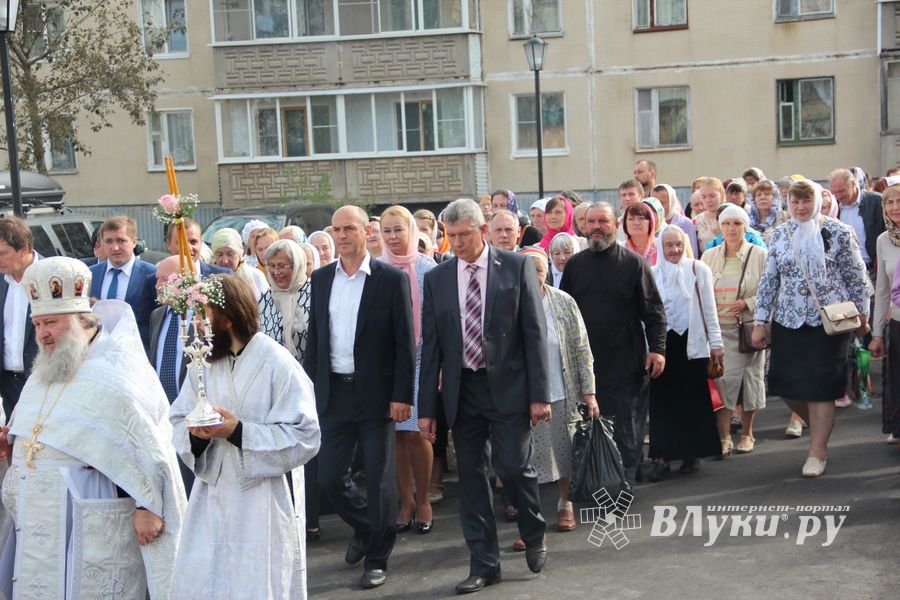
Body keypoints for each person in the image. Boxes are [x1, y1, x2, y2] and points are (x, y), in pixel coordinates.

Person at [0, 257, 185, 598]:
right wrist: (13, 440)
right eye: (38, 324)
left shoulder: (118, 371)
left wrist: (147, 508)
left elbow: (148, 444)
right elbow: (39, 427)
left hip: (92, 511)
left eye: (51, 323)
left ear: (83, 319)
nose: (43, 334)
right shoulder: (46, 368)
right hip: (40, 512)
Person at [418, 199, 549, 594]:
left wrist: (539, 395)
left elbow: (535, 334)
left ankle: (533, 529)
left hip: (509, 388)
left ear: (483, 231)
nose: (456, 243)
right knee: (472, 482)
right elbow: (432, 348)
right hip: (464, 391)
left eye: (464, 235)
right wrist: (427, 409)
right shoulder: (438, 279)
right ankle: (484, 563)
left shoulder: (515, 267)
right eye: (450, 236)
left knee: (512, 468)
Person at [170, 274, 320, 598]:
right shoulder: (207, 362)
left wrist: (238, 431)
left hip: (261, 499)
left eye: (205, 317)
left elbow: (306, 433)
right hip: (211, 495)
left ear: (226, 319)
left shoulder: (277, 362)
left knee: (256, 582)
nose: (200, 328)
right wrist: (197, 436)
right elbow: (179, 416)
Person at [303, 206, 415, 589]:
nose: (342, 235)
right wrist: (311, 390)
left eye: (349, 228)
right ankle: (369, 527)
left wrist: (403, 395)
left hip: (377, 396)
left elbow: (404, 342)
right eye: (336, 230)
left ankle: (378, 556)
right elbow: (315, 340)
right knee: (330, 478)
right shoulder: (319, 279)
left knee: (381, 481)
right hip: (333, 392)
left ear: (366, 231)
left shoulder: (389, 279)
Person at [752, 180, 872, 477]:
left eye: (806, 201)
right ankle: (821, 423)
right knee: (782, 384)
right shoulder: (780, 234)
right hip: (788, 320)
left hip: (829, 323)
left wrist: (864, 317)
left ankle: (817, 451)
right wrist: (759, 322)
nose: (801, 207)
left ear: (817, 202)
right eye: (795, 202)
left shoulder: (838, 232)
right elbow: (769, 282)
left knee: (822, 390)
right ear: (788, 204)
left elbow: (857, 277)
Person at [560, 202, 666, 483]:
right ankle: (595, 477)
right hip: (587, 360)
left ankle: (624, 480)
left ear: (615, 225)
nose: (596, 227)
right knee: (588, 422)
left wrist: (657, 349)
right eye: (591, 222)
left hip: (626, 357)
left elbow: (654, 311)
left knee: (627, 425)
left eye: (603, 222)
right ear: (583, 226)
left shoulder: (633, 263)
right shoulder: (574, 265)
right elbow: (563, 314)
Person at [519, 246, 598, 529]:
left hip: (563, 390)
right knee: (527, 459)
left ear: (548, 272)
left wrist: (589, 393)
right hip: (525, 396)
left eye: (539, 269)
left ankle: (566, 503)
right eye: (528, 270)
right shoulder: (509, 303)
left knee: (565, 452)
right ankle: (532, 520)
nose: (534, 275)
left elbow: (581, 348)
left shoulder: (564, 302)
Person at [379, 205, 437, 535]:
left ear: (411, 230)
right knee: (396, 436)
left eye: (398, 229)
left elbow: (439, 322)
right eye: (387, 230)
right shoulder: (376, 269)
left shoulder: (429, 270)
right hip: (388, 362)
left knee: (417, 432)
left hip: (422, 359)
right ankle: (406, 500)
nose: (393, 236)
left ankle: (425, 498)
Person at [648, 225, 723, 480]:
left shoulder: (697, 268)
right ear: (660, 246)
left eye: (679, 244)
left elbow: (709, 308)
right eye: (669, 245)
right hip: (663, 346)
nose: (675, 249)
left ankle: (691, 454)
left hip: (693, 345)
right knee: (663, 402)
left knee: (692, 400)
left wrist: (716, 344)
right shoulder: (652, 273)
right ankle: (662, 457)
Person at [701, 205, 768, 455]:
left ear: (745, 227)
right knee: (723, 382)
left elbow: (769, 289)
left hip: (749, 329)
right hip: (719, 329)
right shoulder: (709, 256)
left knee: (751, 381)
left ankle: (748, 433)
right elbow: (702, 291)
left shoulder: (759, 254)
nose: (731, 229)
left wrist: (748, 303)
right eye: (727, 223)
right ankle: (724, 436)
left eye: (737, 224)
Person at [88, 216, 157, 352]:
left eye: (121, 241)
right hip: (98, 355)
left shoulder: (151, 274)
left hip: (139, 356)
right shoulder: (90, 274)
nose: (115, 248)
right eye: (109, 241)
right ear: (101, 243)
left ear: (133, 242)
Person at [869, 179, 900, 443]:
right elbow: (882, 290)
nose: (894, 207)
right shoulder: (883, 240)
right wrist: (877, 333)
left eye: (899, 201)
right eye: (889, 202)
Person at [0, 217, 40, 419]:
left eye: (2, 253)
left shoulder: (51, 276)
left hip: (44, 382)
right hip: (8, 386)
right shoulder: (2, 281)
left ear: (24, 249)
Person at [831, 167, 885, 274]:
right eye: (835, 192)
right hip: (847, 271)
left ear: (852, 184)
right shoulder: (834, 208)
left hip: (874, 269)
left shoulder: (876, 201)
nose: (838, 196)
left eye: (842, 191)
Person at [210, 227, 270, 300]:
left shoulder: (256, 276)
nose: (225, 261)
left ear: (239, 253)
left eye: (230, 254)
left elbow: (267, 305)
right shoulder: (208, 279)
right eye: (219, 255)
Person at [165, 218, 229, 277]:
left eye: (193, 242)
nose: (189, 248)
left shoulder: (223, 276)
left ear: (201, 242)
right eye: (182, 243)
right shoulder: (158, 280)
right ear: (168, 244)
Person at [651, 184, 699, 257]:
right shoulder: (649, 222)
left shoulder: (685, 223)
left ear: (672, 201)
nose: (658, 207)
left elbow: (692, 252)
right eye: (654, 203)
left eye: (662, 202)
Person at [748, 180, 789, 246]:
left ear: (775, 197)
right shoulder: (747, 219)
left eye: (767, 194)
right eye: (758, 195)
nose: (762, 197)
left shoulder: (785, 217)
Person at [694, 177, 725, 253]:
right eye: (704, 197)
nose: (708, 200)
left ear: (721, 194)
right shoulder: (697, 220)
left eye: (712, 196)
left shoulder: (732, 216)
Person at [616, 179, 644, 244]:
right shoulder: (615, 224)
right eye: (623, 195)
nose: (627, 198)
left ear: (642, 196)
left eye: (631, 194)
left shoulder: (650, 221)